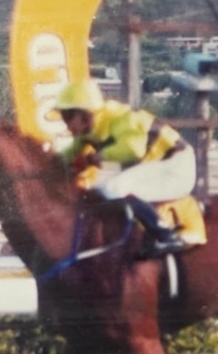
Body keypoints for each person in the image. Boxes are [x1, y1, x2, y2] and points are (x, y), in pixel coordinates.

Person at [54, 79, 197, 257]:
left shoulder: (123, 119)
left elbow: (133, 150)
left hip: (175, 167)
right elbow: (68, 155)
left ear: (85, 115)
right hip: (153, 166)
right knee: (95, 187)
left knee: (113, 188)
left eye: (68, 117)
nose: (66, 124)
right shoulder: (88, 129)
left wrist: (95, 157)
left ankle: (166, 235)